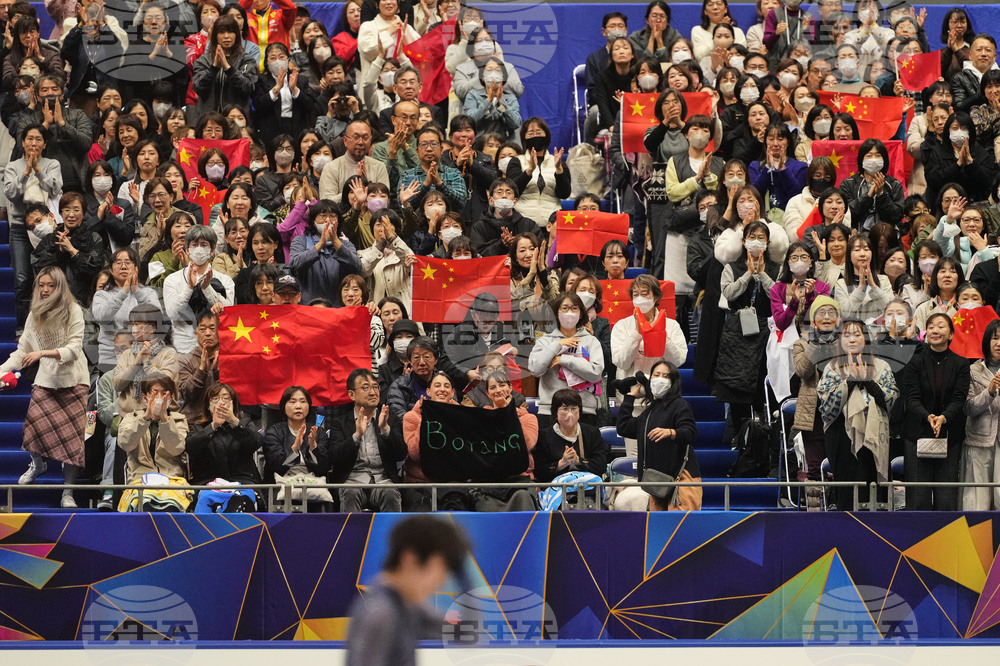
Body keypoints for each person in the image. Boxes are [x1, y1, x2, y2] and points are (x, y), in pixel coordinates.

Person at [1, 268, 89, 508]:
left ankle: (67, 493)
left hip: (75, 380)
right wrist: (1, 370)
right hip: (47, 380)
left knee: (73, 441)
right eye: (42, 285)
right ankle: (38, 464)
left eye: (51, 285)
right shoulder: (34, 314)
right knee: (33, 425)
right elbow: (22, 352)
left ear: (59, 287)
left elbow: (74, 349)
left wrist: (42, 353)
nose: (45, 289)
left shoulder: (73, 310)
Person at [345, 515, 469, 666]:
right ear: (410, 560)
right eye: (440, 569)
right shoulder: (381, 613)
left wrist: (461, 571)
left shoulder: (407, 607)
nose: (440, 583)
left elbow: (468, 633)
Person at [817, 318, 899, 510]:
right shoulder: (832, 368)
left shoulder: (881, 367)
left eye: (857, 334)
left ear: (866, 339)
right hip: (842, 438)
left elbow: (892, 400)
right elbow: (827, 409)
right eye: (846, 335)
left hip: (876, 437)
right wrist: (850, 381)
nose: (852, 340)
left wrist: (868, 381)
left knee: (875, 495)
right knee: (848, 495)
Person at [901, 312, 970, 511]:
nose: (935, 330)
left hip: (949, 435)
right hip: (917, 433)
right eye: (931, 326)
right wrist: (927, 416)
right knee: (918, 498)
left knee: (946, 499)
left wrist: (944, 418)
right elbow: (911, 397)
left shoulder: (961, 364)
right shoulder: (914, 361)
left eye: (940, 326)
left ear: (951, 334)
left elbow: (959, 398)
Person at [617, 360, 702, 511]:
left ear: (673, 382)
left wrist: (671, 432)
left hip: (680, 478)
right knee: (660, 528)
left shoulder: (679, 405)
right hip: (656, 481)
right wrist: (629, 398)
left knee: (680, 527)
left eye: (666, 376)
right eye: (656, 375)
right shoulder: (649, 412)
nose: (660, 379)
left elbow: (690, 432)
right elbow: (624, 428)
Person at [3, 123, 63, 331]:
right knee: (21, 278)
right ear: (22, 143)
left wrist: (38, 170)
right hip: (20, 227)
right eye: (30, 139)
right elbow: (11, 194)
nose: (33, 143)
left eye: (38, 139)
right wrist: (26, 172)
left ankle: (46, 325)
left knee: (46, 276)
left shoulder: (52, 163)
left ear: (44, 144)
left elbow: (55, 188)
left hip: (45, 227)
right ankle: (22, 327)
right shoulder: (13, 167)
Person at [328, 368, 405, 512]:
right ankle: (350, 535)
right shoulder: (340, 423)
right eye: (365, 387)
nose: (373, 392)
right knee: (351, 492)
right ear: (352, 394)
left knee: (390, 493)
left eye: (375, 386)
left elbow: (401, 454)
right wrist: (356, 436)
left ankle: (391, 535)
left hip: (383, 480)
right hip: (352, 481)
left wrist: (385, 430)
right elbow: (334, 457)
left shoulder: (390, 417)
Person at [527, 292, 605, 429]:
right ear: (556, 313)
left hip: (584, 411)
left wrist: (565, 359)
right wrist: (558, 345)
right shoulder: (545, 341)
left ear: (581, 314)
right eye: (564, 308)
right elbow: (535, 369)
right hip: (550, 410)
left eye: (574, 308)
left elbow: (595, 374)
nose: (569, 312)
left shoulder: (591, 341)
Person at [116, 376, 191, 511]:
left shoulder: (179, 420)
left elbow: (176, 449)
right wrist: (145, 419)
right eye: (155, 393)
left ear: (171, 398)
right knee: (144, 503)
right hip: (140, 479)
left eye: (164, 394)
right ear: (145, 398)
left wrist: (165, 419)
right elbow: (125, 444)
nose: (160, 398)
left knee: (171, 505)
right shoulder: (130, 418)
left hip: (171, 479)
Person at [163, 226, 236, 354]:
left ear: (212, 251)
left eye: (204, 245)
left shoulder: (225, 280)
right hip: (183, 349)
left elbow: (228, 312)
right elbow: (173, 314)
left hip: (216, 349)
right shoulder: (171, 280)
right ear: (187, 250)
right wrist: (189, 288)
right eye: (194, 244)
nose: (199, 249)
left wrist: (207, 288)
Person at [91, 247, 162, 370]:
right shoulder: (102, 295)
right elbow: (101, 317)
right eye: (118, 263)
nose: (123, 266)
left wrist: (136, 291)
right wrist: (124, 291)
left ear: (136, 268)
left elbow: (156, 316)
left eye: (128, 262)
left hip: (143, 357)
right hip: (110, 359)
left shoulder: (148, 293)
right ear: (111, 270)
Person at [31, 191, 106, 304]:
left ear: (83, 213)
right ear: (60, 213)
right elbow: (37, 265)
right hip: (54, 301)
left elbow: (96, 268)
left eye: (76, 210)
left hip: (85, 301)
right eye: (66, 210)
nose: (71, 215)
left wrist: (73, 251)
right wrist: (59, 254)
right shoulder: (50, 239)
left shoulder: (93, 238)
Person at [261, 385, 331, 500]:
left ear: (309, 406)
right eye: (292, 402)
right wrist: (294, 448)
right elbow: (275, 466)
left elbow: (323, 469)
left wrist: (313, 447)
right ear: (283, 407)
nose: (298, 406)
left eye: (303, 402)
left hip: (313, 481)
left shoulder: (319, 433)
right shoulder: (274, 432)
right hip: (280, 482)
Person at [185, 382, 262, 485]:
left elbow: (255, 443)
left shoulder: (245, 423)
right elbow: (190, 447)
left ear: (233, 404)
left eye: (225, 399)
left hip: (242, 482)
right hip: (207, 484)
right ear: (208, 406)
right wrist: (213, 426)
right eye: (215, 399)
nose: (220, 403)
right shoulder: (199, 428)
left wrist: (233, 421)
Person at [288, 200, 361, 304]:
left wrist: (335, 241)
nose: (328, 220)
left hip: (337, 307)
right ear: (313, 221)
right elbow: (295, 266)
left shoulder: (346, 244)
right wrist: (321, 244)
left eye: (332, 216)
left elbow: (356, 267)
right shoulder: (301, 241)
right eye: (323, 216)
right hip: (309, 307)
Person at [533, 388, 610, 483]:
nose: (570, 414)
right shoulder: (544, 435)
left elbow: (601, 465)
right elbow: (539, 472)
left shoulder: (591, 432)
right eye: (565, 409)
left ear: (580, 411)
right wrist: (561, 463)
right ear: (555, 412)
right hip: (556, 488)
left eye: (574, 409)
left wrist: (578, 460)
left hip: (586, 486)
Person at [963, 319, 1000, 511]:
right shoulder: (973, 371)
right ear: (987, 341)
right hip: (979, 442)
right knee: (978, 503)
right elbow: (968, 408)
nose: (999, 343)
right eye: (995, 338)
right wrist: (990, 392)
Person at [838, 138, 904, 232]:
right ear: (862, 160)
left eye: (878, 156)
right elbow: (847, 214)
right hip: (857, 237)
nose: (873, 160)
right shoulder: (848, 184)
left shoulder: (894, 184)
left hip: (887, 238)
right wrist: (868, 196)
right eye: (869, 156)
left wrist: (881, 194)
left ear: (884, 160)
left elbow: (896, 216)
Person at [833, 234, 893, 324]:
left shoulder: (883, 280)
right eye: (857, 250)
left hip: (879, 334)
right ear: (849, 255)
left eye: (866, 249)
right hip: (853, 334)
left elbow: (891, 310)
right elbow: (845, 313)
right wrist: (860, 288)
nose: (862, 254)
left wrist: (873, 286)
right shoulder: (841, 284)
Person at [177, 311, 220, 423]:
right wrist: (201, 370)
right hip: (193, 422)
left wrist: (217, 372)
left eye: (212, 328)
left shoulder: (228, 358)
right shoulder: (186, 360)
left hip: (222, 421)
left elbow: (232, 394)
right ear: (196, 333)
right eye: (202, 329)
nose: (207, 333)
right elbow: (186, 394)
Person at [913, 257, 960, 331]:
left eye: (953, 271)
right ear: (935, 277)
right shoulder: (923, 309)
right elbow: (917, 338)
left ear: (959, 277)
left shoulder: (964, 308)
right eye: (943, 271)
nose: (947, 275)